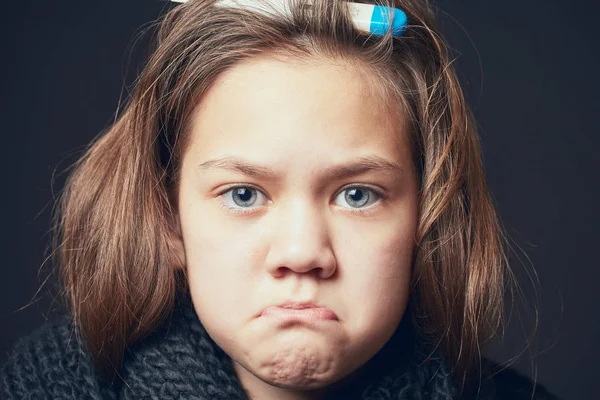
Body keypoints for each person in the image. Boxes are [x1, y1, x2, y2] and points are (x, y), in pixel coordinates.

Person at [1, 0, 560, 398]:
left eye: (357, 194)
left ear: (425, 217)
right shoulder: (45, 386)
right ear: (168, 219)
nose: (301, 252)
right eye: (243, 194)